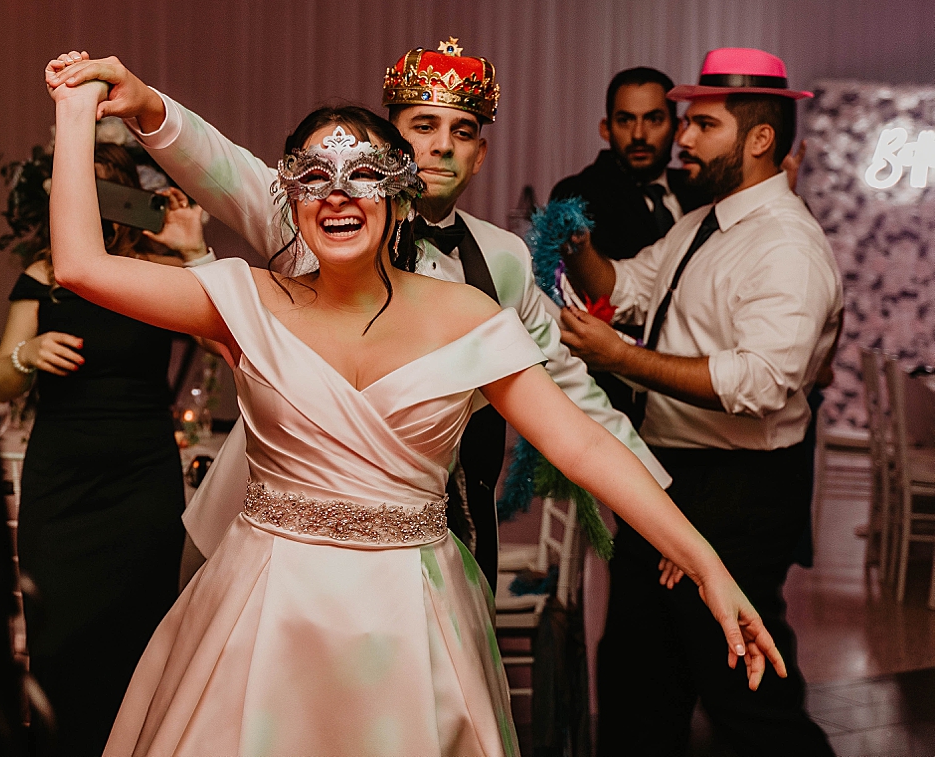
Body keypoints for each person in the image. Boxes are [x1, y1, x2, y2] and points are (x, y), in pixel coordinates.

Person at [43, 58, 784, 757]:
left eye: (364, 174)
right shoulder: (244, 299)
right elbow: (78, 266)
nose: (339, 192)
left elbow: (583, 445)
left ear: (396, 194)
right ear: (291, 195)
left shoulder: (466, 314)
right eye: (316, 177)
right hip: (266, 605)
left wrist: (707, 563)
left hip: (411, 614)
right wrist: (78, 113)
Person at [47, 42, 670, 591]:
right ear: (394, 142)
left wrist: (661, 508)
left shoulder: (503, 259)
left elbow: (565, 387)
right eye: (423, 126)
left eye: (461, 131)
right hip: (274, 525)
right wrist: (148, 105)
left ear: (480, 154)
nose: (440, 146)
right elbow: (224, 166)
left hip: (429, 523)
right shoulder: (314, 210)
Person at [558, 48, 841, 756]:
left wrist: (623, 359)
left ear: (759, 138)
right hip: (677, 476)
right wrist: (578, 244)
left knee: (749, 702)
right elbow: (625, 284)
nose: (681, 138)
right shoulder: (701, 224)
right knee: (636, 687)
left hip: (736, 491)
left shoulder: (786, 247)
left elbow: (759, 383)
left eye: (700, 124)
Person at [0, 143, 209, 757]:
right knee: (57, 637)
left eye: (96, 187)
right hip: (62, 481)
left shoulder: (159, 270)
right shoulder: (43, 272)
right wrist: (24, 356)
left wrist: (191, 251)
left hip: (141, 480)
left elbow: (229, 348)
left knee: (138, 636)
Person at [550, 67, 707, 422]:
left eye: (653, 119)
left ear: (678, 126)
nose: (639, 134)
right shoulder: (579, 194)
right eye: (626, 120)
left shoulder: (700, 189)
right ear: (606, 128)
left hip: (694, 395)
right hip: (611, 394)